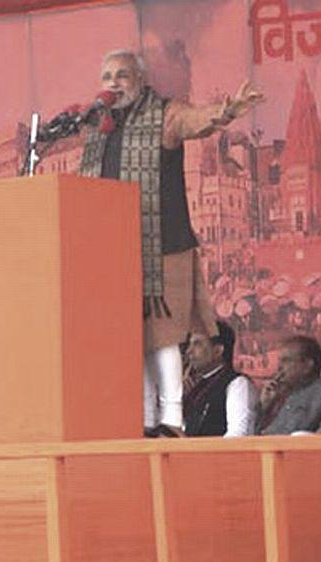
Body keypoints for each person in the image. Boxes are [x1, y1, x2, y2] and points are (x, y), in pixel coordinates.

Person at [77, 50, 263, 434]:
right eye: (107, 75)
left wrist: (226, 111)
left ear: (141, 80)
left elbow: (198, 121)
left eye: (122, 75)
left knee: (162, 335)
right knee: (132, 339)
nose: (113, 82)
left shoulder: (165, 113)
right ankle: (145, 419)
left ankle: (171, 417)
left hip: (161, 241)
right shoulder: (97, 123)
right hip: (111, 247)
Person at [183, 322, 257, 436]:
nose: (189, 351)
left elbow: (238, 434)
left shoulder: (238, 384)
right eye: (190, 344)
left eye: (197, 344)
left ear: (218, 350)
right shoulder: (196, 388)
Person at [257, 336, 321, 434]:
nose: (279, 367)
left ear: (308, 365)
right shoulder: (279, 393)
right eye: (279, 361)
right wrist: (265, 407)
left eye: (286, 361)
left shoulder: (317, 394)